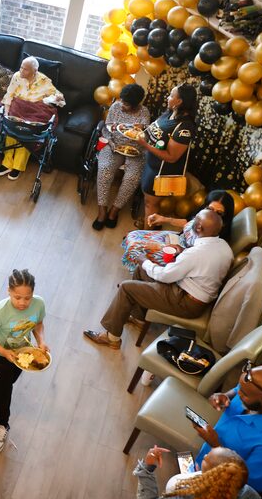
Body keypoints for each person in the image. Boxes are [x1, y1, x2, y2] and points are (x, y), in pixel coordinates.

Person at [83, 209, 232, 349]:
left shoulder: (196, 254)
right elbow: (202, 264)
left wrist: (144, 261)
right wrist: (183, 252)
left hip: (186, 301)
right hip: (195, 295)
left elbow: (164, 276)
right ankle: (139, 317)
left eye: (194, 221)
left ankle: (112, 338)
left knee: (126, 287)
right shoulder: (224, 247)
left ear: (198, 228)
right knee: (143, 270)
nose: (191, 223)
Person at [0, 269, 48, 453]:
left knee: (7, 381)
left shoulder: (38, 304)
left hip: (22, 353)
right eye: (17, 297)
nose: (22, 303)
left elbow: (38, 323)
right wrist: (3, 351)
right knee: (5, 391)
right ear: (8, 291)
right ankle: (2, 425)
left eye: (27, 298)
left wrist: (41, 341)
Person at [194, 362, 262, 493]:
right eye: (240, 389)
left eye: (244, 395)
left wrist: (215, 445)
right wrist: (225, 396)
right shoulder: (260, 392)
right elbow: (237, 391)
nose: (239, 394)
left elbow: (243, 486)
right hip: (202, 463)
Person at [122, 190, 235, 273]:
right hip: (177, 239)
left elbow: (196, 258)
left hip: (178, 255)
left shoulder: (215, 236)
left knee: (136, 246)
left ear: (225, 216)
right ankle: (140, 274)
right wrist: (164, 219)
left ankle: (139, 277)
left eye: (218, 213)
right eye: (210, 209)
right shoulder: (201, 215)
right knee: (133, 235)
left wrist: (180, 251)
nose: (212, 214)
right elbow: (188, 222)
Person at [134, 84, 198, 225]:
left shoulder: (185, 127)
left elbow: (171, 157)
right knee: (148, 202)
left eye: (171, 95)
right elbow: (159, 132)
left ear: (179, 101)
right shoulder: (170, 113)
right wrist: (144, 128)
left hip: (160, 172)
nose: (167, 97)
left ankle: (146, 239)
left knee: (151, 204)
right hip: (151, 165)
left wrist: (145, 145)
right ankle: (147, 225)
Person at [0, 56, 65, 180]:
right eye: (21, 67)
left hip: (35, 112)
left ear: (35, 71)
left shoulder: (44, 80)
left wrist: (55, 99)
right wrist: (6, 114)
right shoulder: (17, 76)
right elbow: (9, 95)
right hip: (18, 107)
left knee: (27, 130)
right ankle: (7, 164)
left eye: (25, 69)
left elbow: (59, 98)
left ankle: (17, 166)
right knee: (11, 126)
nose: (21, 70)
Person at [94, 84, 151, 230]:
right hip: (113, 145)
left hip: (136, 151)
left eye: (126, 104)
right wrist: (111, 140)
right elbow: (107, 126)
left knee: (132, 177)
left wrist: (141, 129)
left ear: (135, 105)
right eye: (122, 101)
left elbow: (144, 134)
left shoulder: (144, 112)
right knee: (105, 170)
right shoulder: (115, 107)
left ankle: (115, 210)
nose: (122, 105)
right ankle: (102, 210)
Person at [134, 445, 260, 499]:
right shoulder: (250, 493)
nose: (205, 455)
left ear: (210, 477)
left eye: (206, 458)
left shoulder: (185, 494)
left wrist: (148, 466)